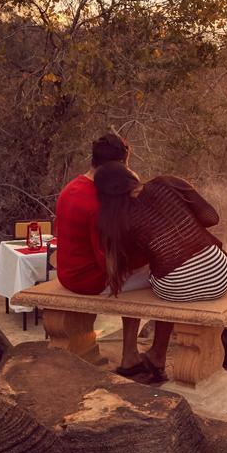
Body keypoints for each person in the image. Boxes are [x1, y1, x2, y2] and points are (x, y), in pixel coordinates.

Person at [94, 161, 227, 380]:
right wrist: (183, 225)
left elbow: (131, 263)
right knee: (168, 279)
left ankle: (155, 355)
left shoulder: (121, 219)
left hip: (176, 287)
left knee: (159, 281)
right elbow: (211, 218)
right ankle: (157, 355)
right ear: (130, 175)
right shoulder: (168, 183)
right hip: (220, 274)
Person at [54, 133, 152, 376]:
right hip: (89, 280)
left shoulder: (72, 187)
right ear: (119, 165)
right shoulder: (99, 201)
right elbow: (110, 262)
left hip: (66, 272)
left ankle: (132, 353)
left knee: (141, 272)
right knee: (162, 276)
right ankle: (133, 354)